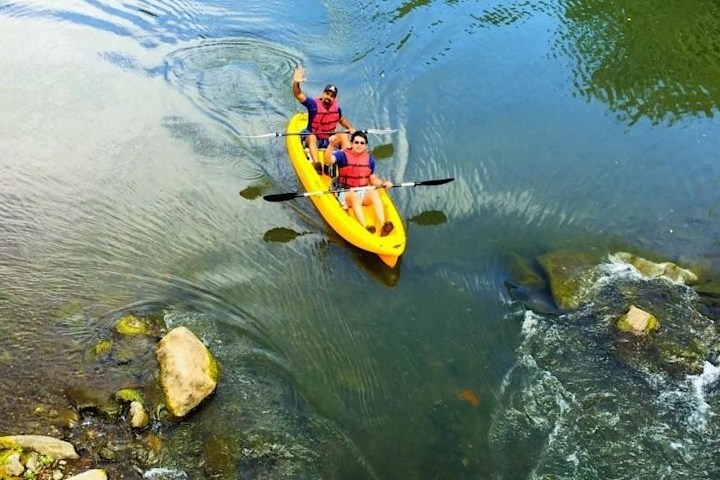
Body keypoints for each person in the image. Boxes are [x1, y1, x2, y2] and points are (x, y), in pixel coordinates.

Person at [324, 131, 395, 236]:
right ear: (351, 143)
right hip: (345, 192)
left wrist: (384, 183)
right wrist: (331, 146)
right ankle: (365, 226)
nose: (359, 145)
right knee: (354, 196)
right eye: (356, 142)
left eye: (362, 143)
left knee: (375, 193)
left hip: (362, 191)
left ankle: (383, 224)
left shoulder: (369, 160)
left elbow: (373, 179)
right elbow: (328, 160)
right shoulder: (342, 155)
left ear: (365, 145)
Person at [292, 66, 354, 167]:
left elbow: (341, 119)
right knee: (311, 137)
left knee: (343, 135)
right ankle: (316, 164)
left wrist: (350, 128)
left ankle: (347, 162)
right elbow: (299, 95)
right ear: (323, 93)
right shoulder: (313, 105)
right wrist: (296, 82)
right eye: (327, 94)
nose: (329, 97)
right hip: (313, 137)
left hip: (328, 139)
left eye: (332, 96)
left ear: (334, 98)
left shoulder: (336, 109)